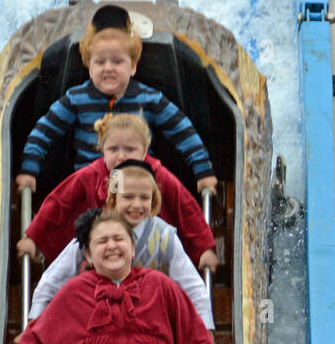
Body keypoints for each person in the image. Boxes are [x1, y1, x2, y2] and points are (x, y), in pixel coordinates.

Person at [15, 3, 218, 198]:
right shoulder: (76, 99)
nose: (108, 68)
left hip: (137, 190)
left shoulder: (149, 99)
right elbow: (43, 132)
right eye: (100, 62)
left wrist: (203, 171)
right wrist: (29, 170)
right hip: (90, 192)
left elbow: (183, 132)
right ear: (89, 65)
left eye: (117, 61)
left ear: (133, 66)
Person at [13, 210, 220, 344]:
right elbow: (34, 341)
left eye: (118, 239)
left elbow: (196, 340)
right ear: (88, 255)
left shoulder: (160, 285)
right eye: (102, 241)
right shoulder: (72, 292)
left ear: (132, 249)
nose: (111, 245)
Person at [17, 111, 218, 271]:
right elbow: (59, 203)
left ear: (144, 150)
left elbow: (187, 208)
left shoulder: (158, 174)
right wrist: (34, 239)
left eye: (129, 149)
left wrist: (204, 248)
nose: (121, 156)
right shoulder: (92, 174)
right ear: (102, 149)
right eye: (113, 149)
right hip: (102, 260)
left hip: (148, 261)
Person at [27, 159, 214, 328]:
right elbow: (55, 277)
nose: (137, 205)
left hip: (148, 320)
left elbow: (192, 285)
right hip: (98, 318)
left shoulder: (164, 235)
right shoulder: (94, 228)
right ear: (113, 198)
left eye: (144, 198)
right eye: (128, 197)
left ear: (154, 199)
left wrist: (206, 328)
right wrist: (36, 318)